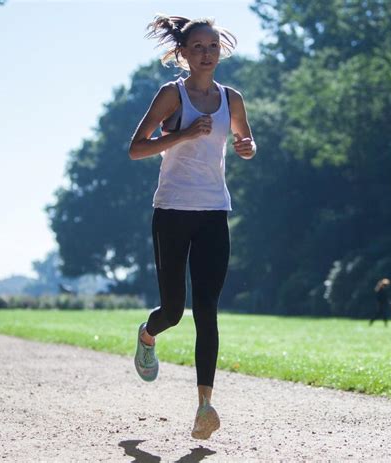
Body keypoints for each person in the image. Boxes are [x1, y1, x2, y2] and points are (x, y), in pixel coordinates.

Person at [128, 14, 256, 440]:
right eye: (198, 47)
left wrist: (246, 146)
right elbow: (136, 149)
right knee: (173, 310)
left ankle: (205, 405)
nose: (206, 53)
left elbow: (245, 142)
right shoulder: (172, 95)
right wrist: (181, 135)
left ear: (221, 52)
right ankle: (148, 334)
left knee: (207, 309)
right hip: (172, 211)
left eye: (213, 46)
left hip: (214, 211)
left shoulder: (231, 98)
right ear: (182, 53)